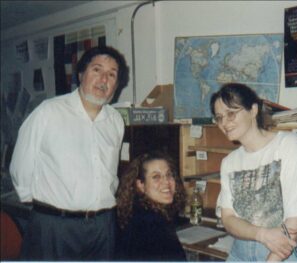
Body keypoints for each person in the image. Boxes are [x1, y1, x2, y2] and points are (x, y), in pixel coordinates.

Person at [9, 46, 129, 260]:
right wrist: (43, 209)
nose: (104, 79)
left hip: (103, 226)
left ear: (116, 85)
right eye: (97, 70)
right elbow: (21, 165)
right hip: (54, 226)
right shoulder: (49, 112)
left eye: (112, 75)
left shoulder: (116, 121)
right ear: (81, 74)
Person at [210, 83, 297, 261]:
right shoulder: (229, 162)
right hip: (245, 248)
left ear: (253, 110)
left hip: (292, 247)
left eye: (231, 113)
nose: (224, 123)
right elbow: (228, 218)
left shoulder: (289, 145)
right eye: (219, 117)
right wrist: (261, 234)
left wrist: (271, 259)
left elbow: (296, 221)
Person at [115, 151, 187, 261]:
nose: (166, 182)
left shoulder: (140, 212)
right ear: (141, 185)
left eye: (168, 175)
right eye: (156, 177)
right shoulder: (150, 224)